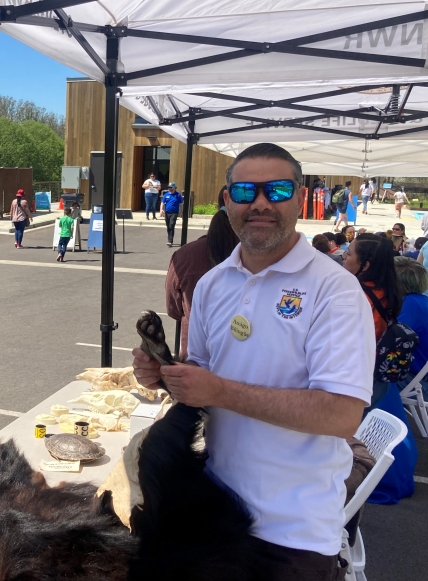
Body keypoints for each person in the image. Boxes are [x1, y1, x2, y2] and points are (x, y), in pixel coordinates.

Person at [133, 142, 376, 581]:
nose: (260, 203)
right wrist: (166, 374)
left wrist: (219, 391)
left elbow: (341, 415)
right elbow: (203, 379)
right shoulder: (211, 284)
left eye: (277, 190)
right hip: (213, 508)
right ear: (227, 201)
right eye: (246, 191)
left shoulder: (334, 290)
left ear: (300, 199)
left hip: (291, 534)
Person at [166, 187, 239, 359]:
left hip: (194, 358)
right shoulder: (258, 254)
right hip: (240, 361)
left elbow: (173, 309)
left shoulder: (185, 255)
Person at [342, 233, 402, 409]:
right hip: (375, 377)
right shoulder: (388, 289)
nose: (344, 255)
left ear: (365, 265)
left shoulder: (357, 297)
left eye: (349, 253)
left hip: (356, 379)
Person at [394, 257, 428, 401]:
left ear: (398, 285)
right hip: (420, 376)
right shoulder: (418, 300)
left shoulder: (411, 306)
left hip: (417, 382)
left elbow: (385, 337)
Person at [160, 182, 184, 247]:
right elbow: (162, 203)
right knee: (168, 227)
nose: (169, 189)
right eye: (169, 187)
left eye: (171, 187)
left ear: (174, 188)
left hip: (174, 213)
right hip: (167, 212)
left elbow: (181, 204)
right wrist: (161, 210)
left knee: (171, 225)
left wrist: (182, 212)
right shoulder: (166, 195)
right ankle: (169, 238)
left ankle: (170, 241)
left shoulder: (178, 195)